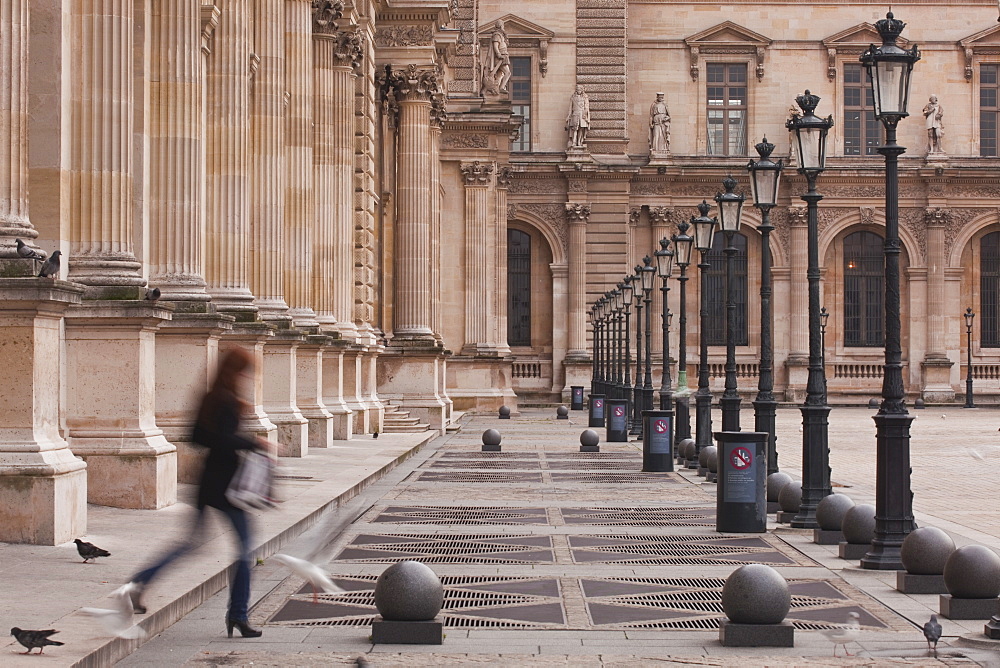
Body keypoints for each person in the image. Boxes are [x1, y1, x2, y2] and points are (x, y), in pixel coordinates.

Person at [128, 348, 267, 638]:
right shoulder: (225, 401)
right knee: (244, 552)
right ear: (236, 371)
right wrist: (253, 442)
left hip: (209, 484)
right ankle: (238, 615)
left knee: (192, 544)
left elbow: (196, 437)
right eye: (245, 371)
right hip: (225, 488)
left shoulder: (212, 397)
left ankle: (140, 581)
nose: (247, 377)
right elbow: (215, 439)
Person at [566, 85, 591, 149]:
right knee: (575, 128)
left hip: (582, 114)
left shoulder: (585, 97)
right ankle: (574, 142)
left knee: (581, 128)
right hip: (575, 114)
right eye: (577, 89)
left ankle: (579, 142)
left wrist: (585, 114)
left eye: (580, 89)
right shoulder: (573, 97)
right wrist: (569, 115)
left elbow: (586, 106)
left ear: (582, 90)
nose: (578, 90)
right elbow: (570, 108)